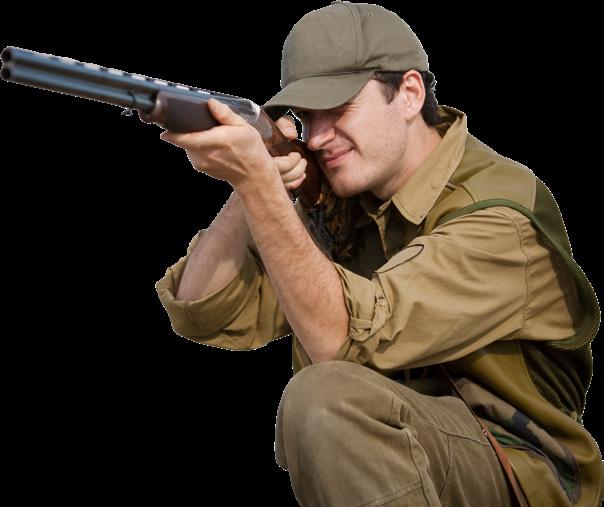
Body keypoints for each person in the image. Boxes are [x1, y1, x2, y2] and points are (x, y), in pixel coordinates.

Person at [155, 2, 602, 505]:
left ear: (410, 93)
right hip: (402, 458)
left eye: (339, 109)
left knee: (326, 398)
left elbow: (344, 339)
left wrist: (259, 184)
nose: (317, 137)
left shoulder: (499, 214)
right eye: (306, 118)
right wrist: (252, 185)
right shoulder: (345, 199)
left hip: (518, 469)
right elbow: (203, 310)